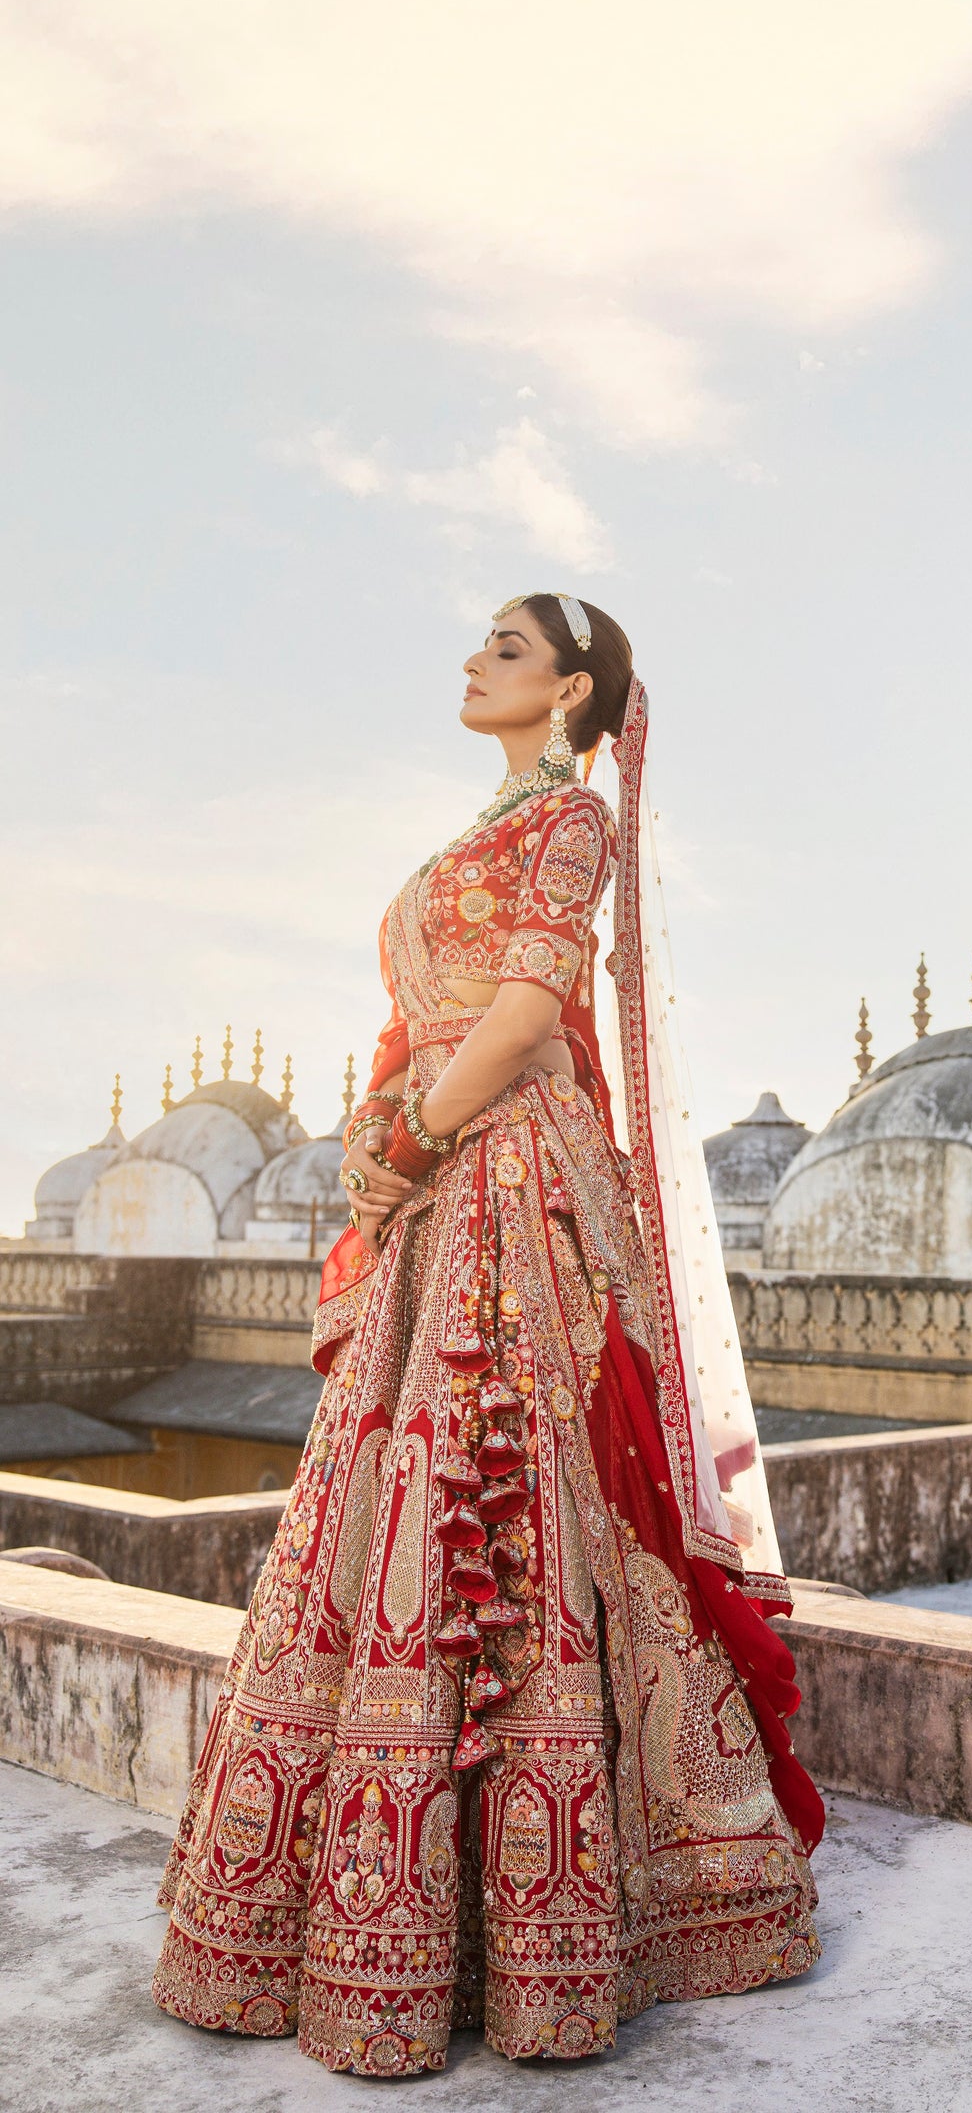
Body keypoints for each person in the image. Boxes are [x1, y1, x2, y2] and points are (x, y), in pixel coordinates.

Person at [151, 593, 823, 2076]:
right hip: (442, 1172)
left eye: (506, 649)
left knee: (508, 1490)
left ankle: (566, 1915)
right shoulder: (474, 835)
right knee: (391, 1487)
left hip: (504, 1173)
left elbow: (525, 1014)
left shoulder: (566, 822)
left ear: (570, 691)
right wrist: (386, 1137)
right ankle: (374, 1911)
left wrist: (404, 1139)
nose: (473, 663)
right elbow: (434, 1014)